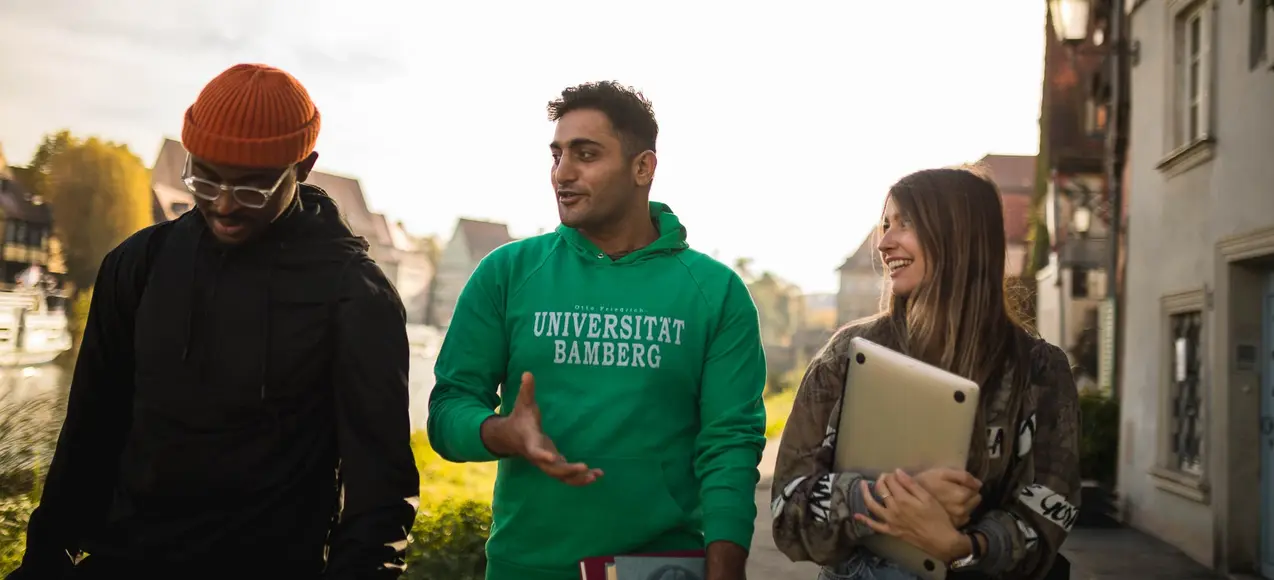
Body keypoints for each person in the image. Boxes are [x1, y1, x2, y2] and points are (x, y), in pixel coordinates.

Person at [9, 64, 420, 579]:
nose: (224, 205)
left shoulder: (356, 297)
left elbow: (378, 498)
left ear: (304, 167)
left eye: (253, 188)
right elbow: (90, 432)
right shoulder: (139, 265)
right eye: (204, 177)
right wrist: (46, 558)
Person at [427, 80, 767, 580]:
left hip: (660, 568)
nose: (562, 174)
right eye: (557, 155)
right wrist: (503, 432)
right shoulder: (507, 274)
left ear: (642, 167)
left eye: (586, 154)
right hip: (526, 568)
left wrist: (725, 566)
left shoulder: (715, 293)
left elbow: (730, 444)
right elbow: (447, 410)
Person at [770, 167, 1081, 580]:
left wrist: (964, 548)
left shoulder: (1040, 371)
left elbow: (1050, 507)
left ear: (960, 235)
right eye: (885, 225)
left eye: (906, 223)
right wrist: (879, 499)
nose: (883, 243)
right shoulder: (846, 355)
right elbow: (786, 511)